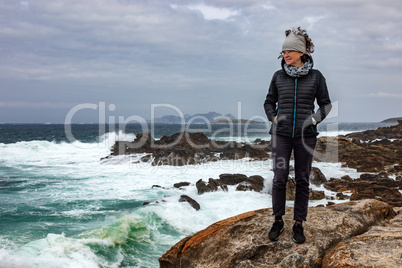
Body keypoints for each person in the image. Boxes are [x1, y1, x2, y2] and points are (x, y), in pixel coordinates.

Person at [264, 27, 332, 244]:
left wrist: (313, 120)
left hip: (306, 137)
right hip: (281, 135)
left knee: (302, 180)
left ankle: (298, 224)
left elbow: (326, 104)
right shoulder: (278, 76)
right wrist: (273, 117)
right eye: (283, 52)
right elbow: (268, 102)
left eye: (289, 52)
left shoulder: (316, 77)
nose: (285, 55)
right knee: (279, 179)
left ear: (302, 52)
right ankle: (278, 220)